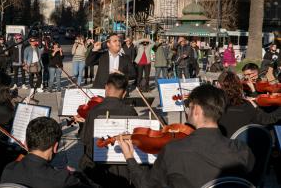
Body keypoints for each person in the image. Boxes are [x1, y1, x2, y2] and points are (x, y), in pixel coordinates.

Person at [118, 84, 255, 188]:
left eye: (189, 107)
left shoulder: (173, 150)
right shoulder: (242, 150)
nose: (188, 112)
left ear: (196, 109)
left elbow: (147, 185)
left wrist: (130, 158)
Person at [0, 116, 99, 188]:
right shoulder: (63, 180)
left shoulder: (9, 169)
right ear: (55, 147)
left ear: (25, 144)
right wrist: (78, 175)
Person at [78, 73, 139, 188]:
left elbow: (85, 140)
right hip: (123, 169)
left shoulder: (93, 111)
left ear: (106, 88)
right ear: (124, 93)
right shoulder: (130, 111)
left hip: (98, 169)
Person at [217, 71, 281, 138]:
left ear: (218, 85)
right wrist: (256, 107)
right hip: (245, 146)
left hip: (220, 145)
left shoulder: (213, 106)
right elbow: (268, 119)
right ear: (239, 86)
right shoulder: (248, 106)